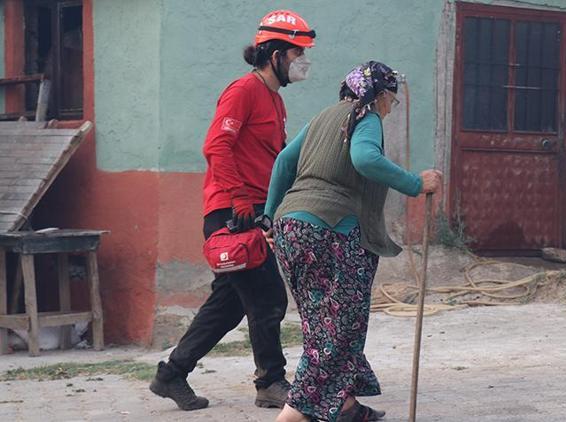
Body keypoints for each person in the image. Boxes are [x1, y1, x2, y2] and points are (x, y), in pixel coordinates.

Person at [149, 10, 316, 411]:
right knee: (268, 298)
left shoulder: (274, 101)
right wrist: (241, 199)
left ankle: (171, 374)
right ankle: (271, 382)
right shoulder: (243, 90)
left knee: (227, 306)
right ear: (274, 53)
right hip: (231, 213)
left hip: (254, 211)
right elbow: (216, 146)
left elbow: (272, 160)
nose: (302, 62)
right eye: (297, 53)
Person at [264, 61, 443, 422]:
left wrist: (269, 219)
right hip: (331, 232)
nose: (392, 108)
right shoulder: (367, 115)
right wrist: (414, 183)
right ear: (380, 95)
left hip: (292, 229)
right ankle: (293, 415)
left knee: (322, 324)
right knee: (340, 328)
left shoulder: (324, 116)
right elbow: (365, 158)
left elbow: (284, 161)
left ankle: (344, 405)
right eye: (392, 100)